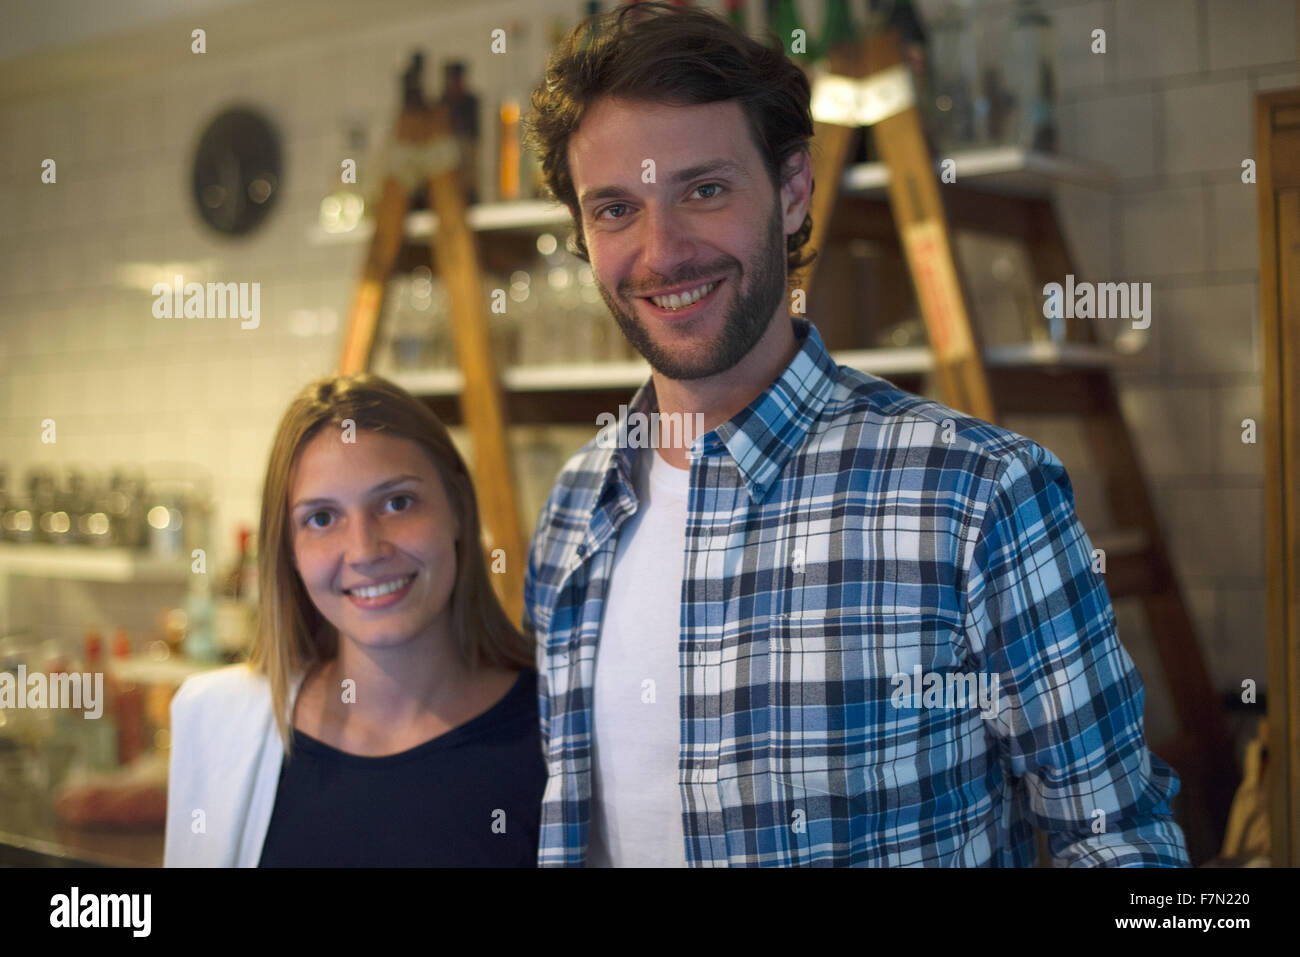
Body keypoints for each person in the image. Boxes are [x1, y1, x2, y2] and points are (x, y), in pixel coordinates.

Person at [521, 2, 1190, 867]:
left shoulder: (981, 495)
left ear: (793, 189)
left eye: (705, 189)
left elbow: (1126, 846)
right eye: (615, 208)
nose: (662, 251)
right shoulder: (575, 508)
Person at [164, 374, 545, 866]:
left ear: (458, 510)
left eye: (397, 502)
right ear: (290, 552)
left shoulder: (557, 734)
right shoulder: (218, 721)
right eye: (322, 518)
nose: (365, 551)